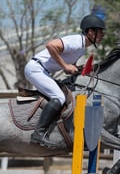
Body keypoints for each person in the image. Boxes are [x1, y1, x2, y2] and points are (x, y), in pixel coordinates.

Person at [24, 14, 105, 147]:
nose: (103, 35)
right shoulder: (76, 41)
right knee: (59, 97)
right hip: (36, 69)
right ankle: (38, 134)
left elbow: (70, 68)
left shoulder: (81, 48)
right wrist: (65, 66)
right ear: (91, 32)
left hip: (43, 71)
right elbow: (50, 45)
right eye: (100, 32)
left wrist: (79, 68)